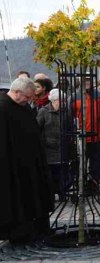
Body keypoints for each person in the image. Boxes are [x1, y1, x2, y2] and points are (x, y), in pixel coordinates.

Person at [0, 77, 54, 244]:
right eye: (28, 97)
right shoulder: (3, 108)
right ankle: (18, 233)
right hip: (13, 167)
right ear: (17, 93)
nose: (30, 100)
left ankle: (35, 229)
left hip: (30, 164)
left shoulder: (21, 107)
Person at [37, 88, 73, 201]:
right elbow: (38, 127)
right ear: (53, 100)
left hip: (63, 147)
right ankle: (50, 195)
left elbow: (70, 127)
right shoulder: (43, 111)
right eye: (60, 100)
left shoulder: (66, 111)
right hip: (48, 148)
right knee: (50, 173)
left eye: (63, 100)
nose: (62, 103)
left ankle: (63, 193)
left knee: (63, 172)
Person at [72, 75, 100, 187]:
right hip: (81, 136)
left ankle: (94, 183)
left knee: (96, 162)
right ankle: (80, 184)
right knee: (80, 162)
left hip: (96, 135)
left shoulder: (99, 96)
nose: (87, 82)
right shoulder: (74, 97)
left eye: (89, 80)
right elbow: (71, 116)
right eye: (84, 80)